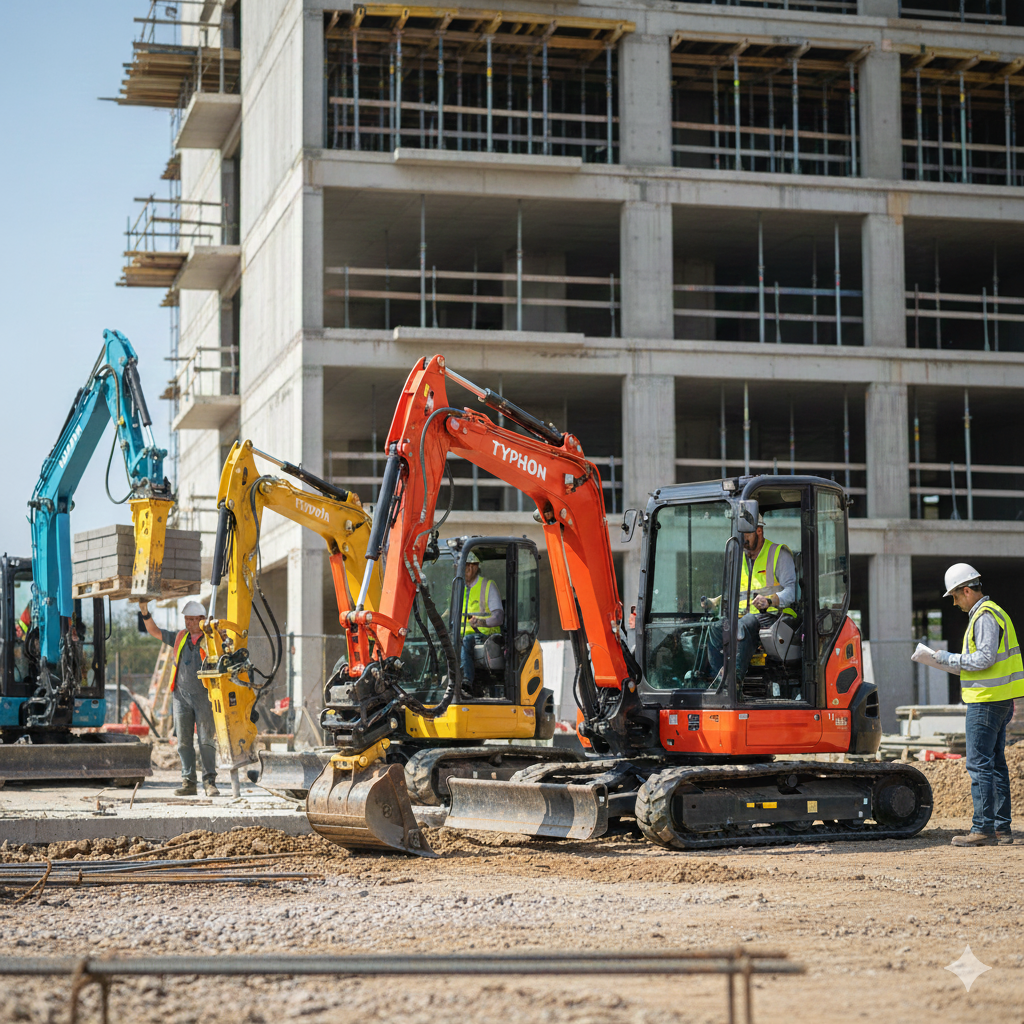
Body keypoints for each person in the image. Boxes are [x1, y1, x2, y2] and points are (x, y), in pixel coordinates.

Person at [933, 563, 1022, 847]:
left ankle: (982, 828)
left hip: (985, 701)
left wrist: (948, 659)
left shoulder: (984, 616)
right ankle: (1001, 829)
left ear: (967, 590)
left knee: (979, 764)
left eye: (956, 596)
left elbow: (984, 659)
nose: (955, 602)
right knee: (995, 765)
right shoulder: (997, 613)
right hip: (999, 700)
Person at [139, 598, 220, 797]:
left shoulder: (212, 639)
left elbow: (225, 641)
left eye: (193, 619)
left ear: (202, 619)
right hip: (181, 697)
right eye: (187, 619)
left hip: (205, 696)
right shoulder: (180, 637)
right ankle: (188, 782)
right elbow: (155, 632)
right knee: (184, 742)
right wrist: (144, 612)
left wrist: (214, 629)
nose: (189, 623)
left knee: (206, 740)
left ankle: (209, 782)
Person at [704, 515, 797, 685]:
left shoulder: (778, 554)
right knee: (715, 628)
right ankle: (719, 679)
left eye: (745, 536)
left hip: (774, 616)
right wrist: (715, 601)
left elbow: (792, 591)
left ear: (759, 531)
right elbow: (737, 593)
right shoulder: (740, 557)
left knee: (744, 624)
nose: (742, 541)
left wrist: (770, 601)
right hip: (744, 618)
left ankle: (734, 681)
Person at [459, 552, 503, 690]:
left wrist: (480, 622)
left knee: (466, 641)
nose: (462, 570)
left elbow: (499, 617)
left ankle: (467, 681)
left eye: (466, 566)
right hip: (460, 635)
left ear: (474, 567)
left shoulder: (488, 586)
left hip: (484, 636)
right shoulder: (459, 588)